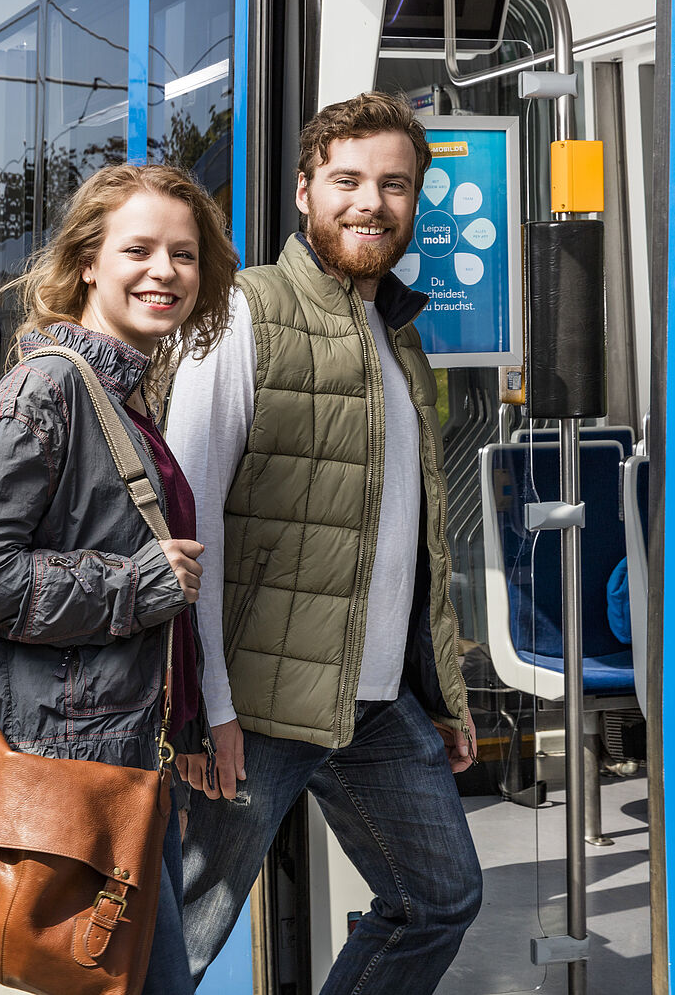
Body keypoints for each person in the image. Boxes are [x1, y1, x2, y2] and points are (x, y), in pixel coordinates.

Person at [167, 91, 482, 992]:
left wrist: (443, 692)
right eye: (346, 179)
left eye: (394, 184)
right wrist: (204, 706)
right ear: (305, 192)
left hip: (375, 705)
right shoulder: (245, 313)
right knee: (180, 939)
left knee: (439, 897)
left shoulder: (398, 334)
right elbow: (188, 522)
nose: (369, 202)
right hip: (255, 707)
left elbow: (411, 542)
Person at [0, 163, 236, 993]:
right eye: (138, 249)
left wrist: (196, 727)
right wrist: (131, 586)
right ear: (90, 262)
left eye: (184, 253)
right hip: (78, 771)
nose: (164, 271)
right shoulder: (52, 386)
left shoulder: (122, 391)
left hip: (131, 762)